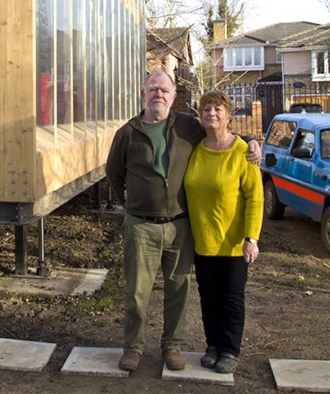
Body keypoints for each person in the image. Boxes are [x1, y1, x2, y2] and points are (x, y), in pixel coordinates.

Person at [105, 70, 260, 373]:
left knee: (179, 290)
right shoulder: (127, 132)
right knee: (137, 292)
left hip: (179, 226)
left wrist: (252, 142)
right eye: (153, 89)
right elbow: (114, 173)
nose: (158, 95)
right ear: (143, 93)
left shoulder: (188, 126)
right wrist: (131, 205)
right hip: (141, 226)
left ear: (174, 97)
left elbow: (222, 132)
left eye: (164, 90)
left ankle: (172, 347)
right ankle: (133, 348)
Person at [183, 90, 264, 374]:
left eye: (217, 109)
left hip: (233, 243)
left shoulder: (244, 152)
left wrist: (251, 238)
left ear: (228, 115)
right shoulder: (195, 148)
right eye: (206, 109)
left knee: (231, 298)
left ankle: (230, 350)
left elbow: (256, 198)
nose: (211, 114)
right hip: (203, 239)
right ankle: (212, 346)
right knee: (208, 296)